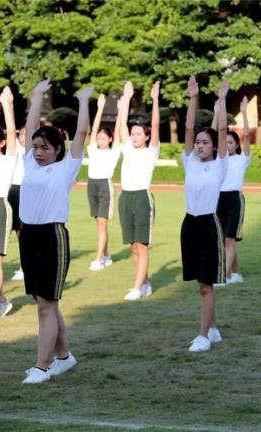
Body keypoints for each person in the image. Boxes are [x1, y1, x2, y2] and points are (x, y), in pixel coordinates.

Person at [21, 81, 93, 384]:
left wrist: (84, 102)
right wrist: (36, 97)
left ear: (57, 150)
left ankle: (41, 366)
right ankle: (64, 358)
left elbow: (82, 133)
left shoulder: (66, 168)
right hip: (28, 236)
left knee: (45, 307)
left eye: (44, 147)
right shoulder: (29, 163)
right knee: (44, 302)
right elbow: (29, 128)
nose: (38, 152)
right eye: (36, 147)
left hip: (52, 237)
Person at [181, 77, 229, 352]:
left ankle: (202, 336)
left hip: (210, 224)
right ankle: (212, 328)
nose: (199, 146)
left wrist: (221, 100)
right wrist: (193, 98)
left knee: (206, 284)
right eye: (197, 142)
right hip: (190, 223)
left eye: (204, 143)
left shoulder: (220, 165)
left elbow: (222, 129)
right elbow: (188, 127)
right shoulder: (189, 162)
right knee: (201, 283)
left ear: (213, 147)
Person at [117, 81, 160, 301]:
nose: (134, 137)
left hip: (142, 197)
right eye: (132, 134)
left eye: (139, 134)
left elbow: (155, 124)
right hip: (125, 197)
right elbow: (122, 123)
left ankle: (136, 287)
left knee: (142, 245)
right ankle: (144, 283)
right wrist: (126, 98)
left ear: (146, 137)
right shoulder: (127, 148)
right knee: (134, 246)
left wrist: (155, 100)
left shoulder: (151, 151)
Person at [216, 97, 250, 285]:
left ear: (236, 145)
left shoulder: (242, 159)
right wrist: (218, 111)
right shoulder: (219, 159)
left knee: (229, 239)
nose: (227, 145)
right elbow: (215, 133)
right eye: (225, 142)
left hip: (234, 199)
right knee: (224, 239)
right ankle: (236, 273)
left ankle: (224, 276)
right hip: (219, 199)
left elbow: (246, 134)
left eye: (230, 143)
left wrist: (244, 112)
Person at [87, 94, 122, 271]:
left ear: (109, 139)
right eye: (98, 138)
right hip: (91, 185)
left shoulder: (114, 151)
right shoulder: (93, 149)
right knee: (98, 222)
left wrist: (121, 109)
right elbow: (92, 131)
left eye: (103, 138)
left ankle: (99, 258)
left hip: (104, 186)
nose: (100, 141)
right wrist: (99, 108)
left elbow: (118, 133)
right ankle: (107, 255)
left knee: (102, 222)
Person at [0, 87, 17, 318]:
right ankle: (1, 300)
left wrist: (7, 105)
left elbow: (11, 131)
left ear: (0, 143)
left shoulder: (8, 160)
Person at [8, 127, 26, 282]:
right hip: (11, 191)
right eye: (22, 134)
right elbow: (11, 129)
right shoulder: (14, 149)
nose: (23, 137)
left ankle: (25, 267)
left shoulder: (35, 152)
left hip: (26, 191)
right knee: (12, 230)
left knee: (23, 232)